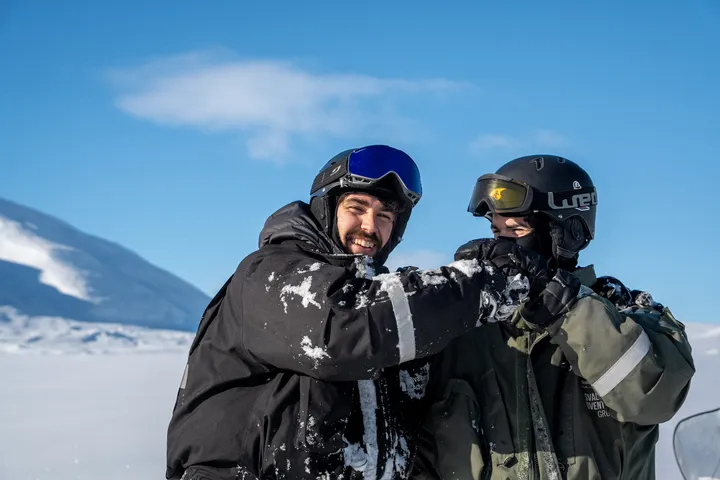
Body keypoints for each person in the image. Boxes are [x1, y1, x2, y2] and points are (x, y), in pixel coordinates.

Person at [165, 145, 547, 480]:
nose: (369, 226)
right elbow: (344, 330)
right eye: (357, 208)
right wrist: (479, 283)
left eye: (385, 216)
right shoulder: (268, 275)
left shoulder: (380, 308)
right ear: (327, 208)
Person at [415, 154, 696, 480]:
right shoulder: (468, 335)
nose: (501, 246)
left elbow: (651, 396)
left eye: (516, 229)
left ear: (566, 234)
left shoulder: (634, 320)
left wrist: (561, 301)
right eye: (495, 231)